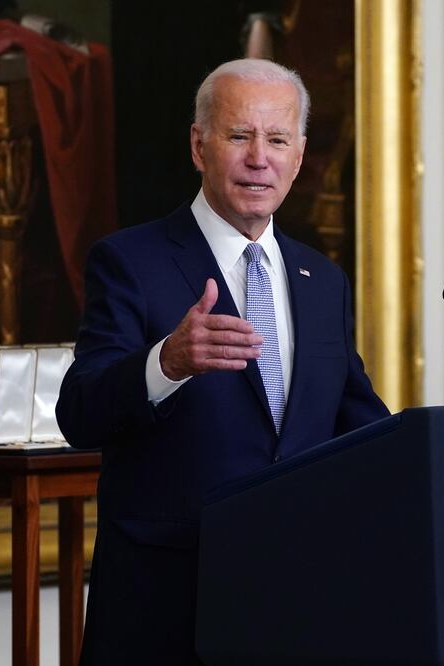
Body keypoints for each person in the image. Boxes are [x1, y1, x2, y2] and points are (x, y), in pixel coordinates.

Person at [56, 58, 389, 665]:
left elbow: (360, 425)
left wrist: (434, 461)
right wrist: (167, 362)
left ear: (299, 154)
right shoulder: (131, 261)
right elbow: (80, 411)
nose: (259, 157)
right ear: (198, 144)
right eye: (240, 136)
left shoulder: (324, 279)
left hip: (297, 602)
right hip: (167, 605)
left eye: (277, 139)